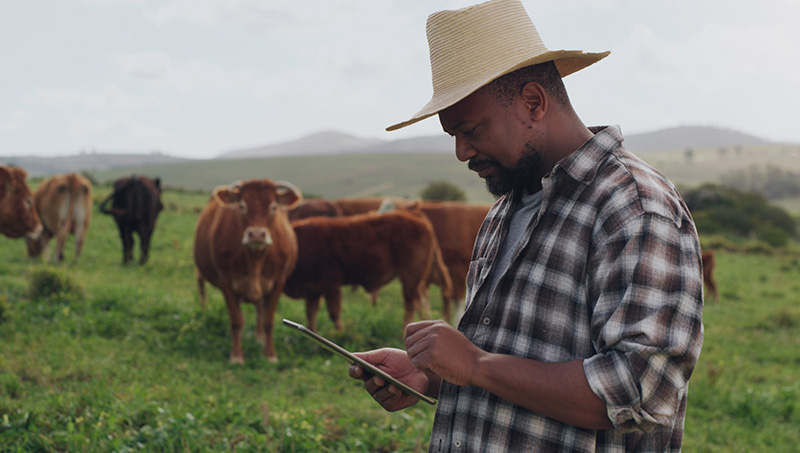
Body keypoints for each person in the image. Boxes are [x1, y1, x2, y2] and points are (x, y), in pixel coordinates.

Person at [349, 0, 705, 451]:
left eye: (472, 130)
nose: (461, 152)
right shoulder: (506, 209)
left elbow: (641, 392)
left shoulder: (633, 206)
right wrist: (433, 377)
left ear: (534, 102)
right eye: (453, 135)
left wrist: (475, 364)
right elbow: (508, 369)